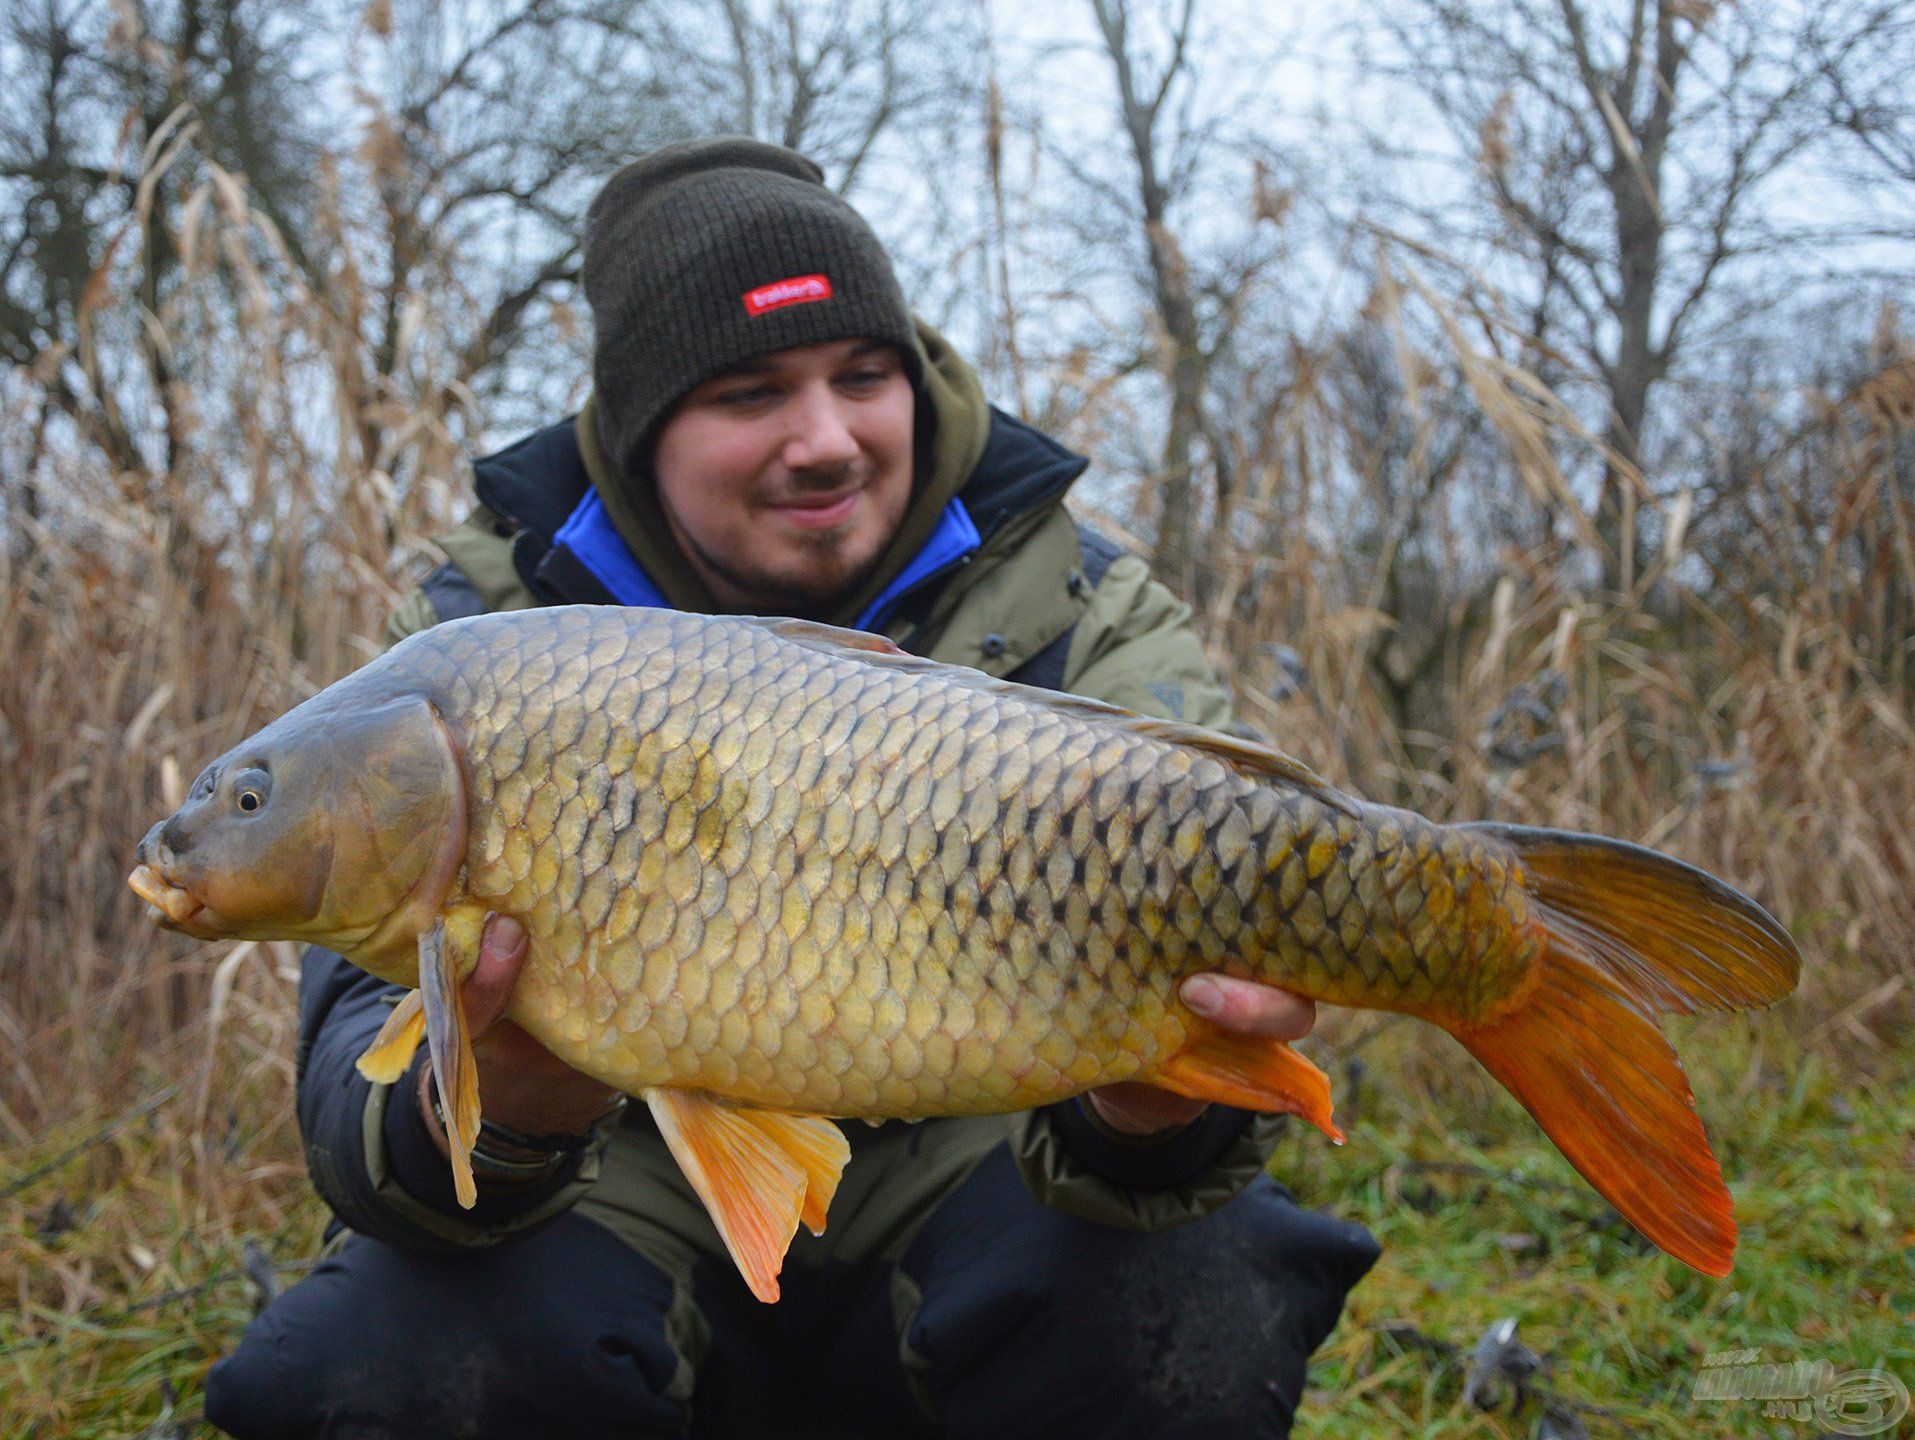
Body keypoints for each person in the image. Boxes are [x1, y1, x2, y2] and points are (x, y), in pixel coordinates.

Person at [203, 137, 1380, 1439]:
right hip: (625, 1173)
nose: (825, 441)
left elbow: (1185, 1114)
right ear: (643, 434)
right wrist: (507, 1118)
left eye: (865, 375)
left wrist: (1148, 1119)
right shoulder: (478, 647)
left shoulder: (1081, 604)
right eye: (751, 392)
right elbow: (355, 1122)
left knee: (1195, 1299)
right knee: (366, 1365)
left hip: (987, 1147)